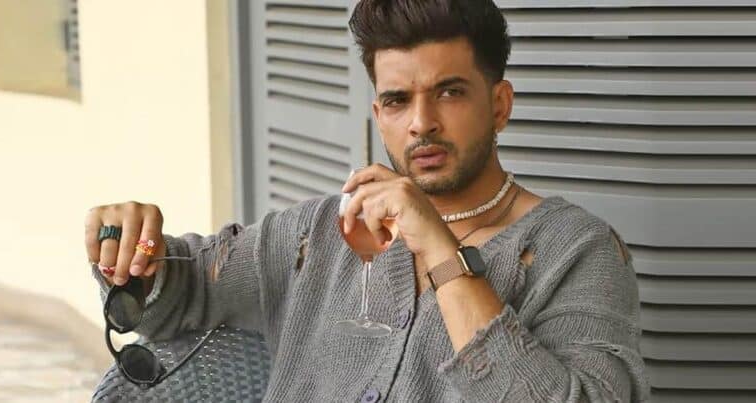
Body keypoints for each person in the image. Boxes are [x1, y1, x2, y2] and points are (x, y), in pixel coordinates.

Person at [85, 0, 649, 401]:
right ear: (379, 116)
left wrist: (441, 251)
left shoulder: (577, 251)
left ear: (499, 105)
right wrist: (131, 247)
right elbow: (175, 296)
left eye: (449, 92)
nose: (422, 123)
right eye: (398, 101)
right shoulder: (315, 235)